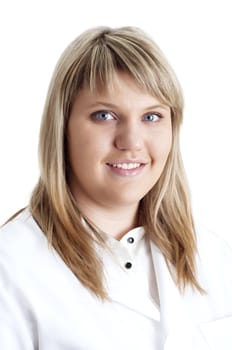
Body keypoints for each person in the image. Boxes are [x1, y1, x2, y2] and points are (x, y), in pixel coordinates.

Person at [0, 26, 231, 350]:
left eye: (151, 117)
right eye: (105, 115)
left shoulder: (216, 259)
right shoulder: (10, 267)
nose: (131, 141)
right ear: (62, 127)